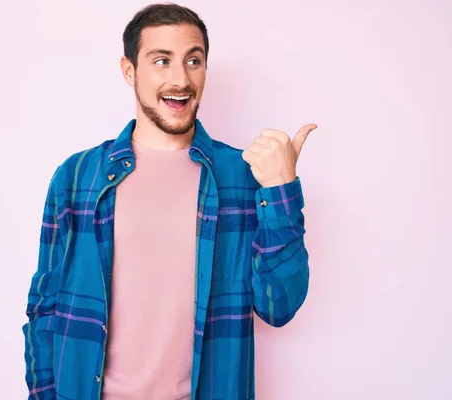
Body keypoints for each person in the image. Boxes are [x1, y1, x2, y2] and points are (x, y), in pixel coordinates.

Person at [22, 3, 315, 399]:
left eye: (193, 61)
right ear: (130, 71)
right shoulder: (77, 178)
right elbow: (45, 308)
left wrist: (281, 191)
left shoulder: (243, 177)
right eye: (162, 61)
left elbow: (278, 307)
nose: (181, 79)